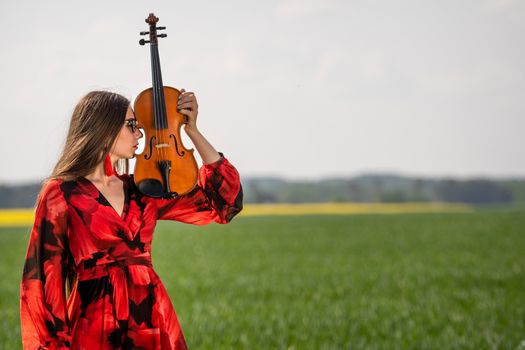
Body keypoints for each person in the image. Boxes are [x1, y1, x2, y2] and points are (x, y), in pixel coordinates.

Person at [20, 90, 243, 349]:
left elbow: (223, 202)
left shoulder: (144, 189)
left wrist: (190, 129)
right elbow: (42, 282)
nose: (140, 133)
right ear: (103, 128)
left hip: (150, 320)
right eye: (131, 125)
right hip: (94, 327)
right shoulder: (60, 193)